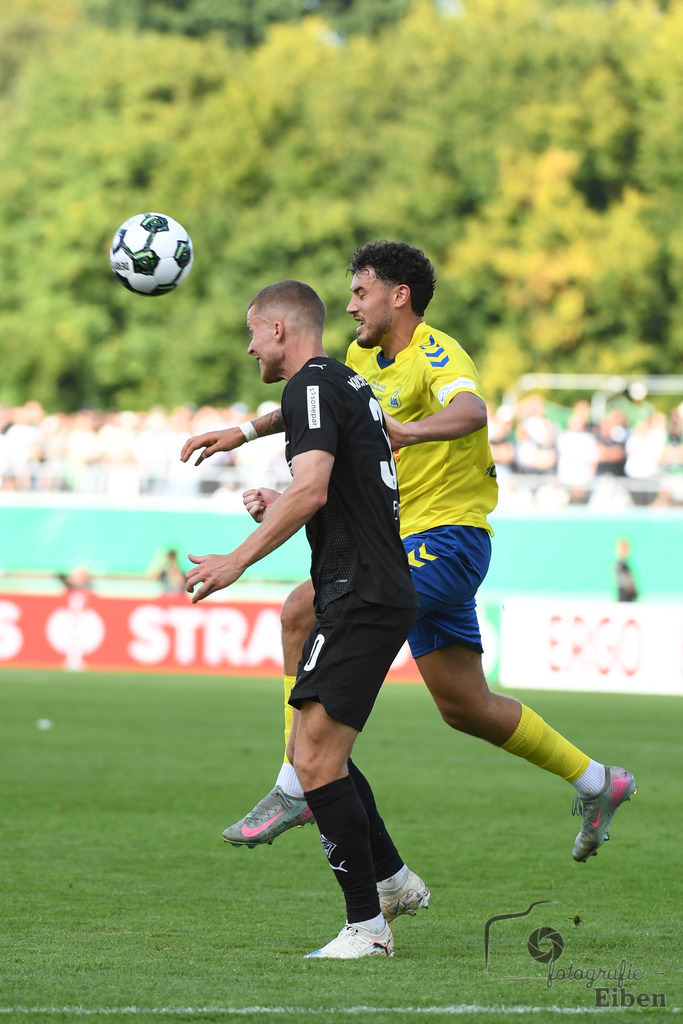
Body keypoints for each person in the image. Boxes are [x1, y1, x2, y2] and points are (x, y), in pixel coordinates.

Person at [181, 242, 637, 866]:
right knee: (465, 707)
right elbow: (323, 406)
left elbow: (472, 411)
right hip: (403, 543)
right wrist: (247, 431)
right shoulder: (357, 359)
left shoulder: (436, 352)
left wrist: (405, 430)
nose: (350, 307)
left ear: (399, 296)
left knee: (301, 610)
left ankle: (296, 780)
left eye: (361, 293)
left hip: (447, 540)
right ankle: (597, 782)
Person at [184, 279, 425, 959]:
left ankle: (367, 929)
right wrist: (253, 445)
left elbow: (315, 486)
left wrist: (237, 559)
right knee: (323, 752)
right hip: (364, 589)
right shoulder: (342, 384)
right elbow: (328, 482)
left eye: (253, 331)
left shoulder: (309, 389)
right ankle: (393, 882)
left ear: (279, 330)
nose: (250, 345)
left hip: (362, 593)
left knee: (313, 759)